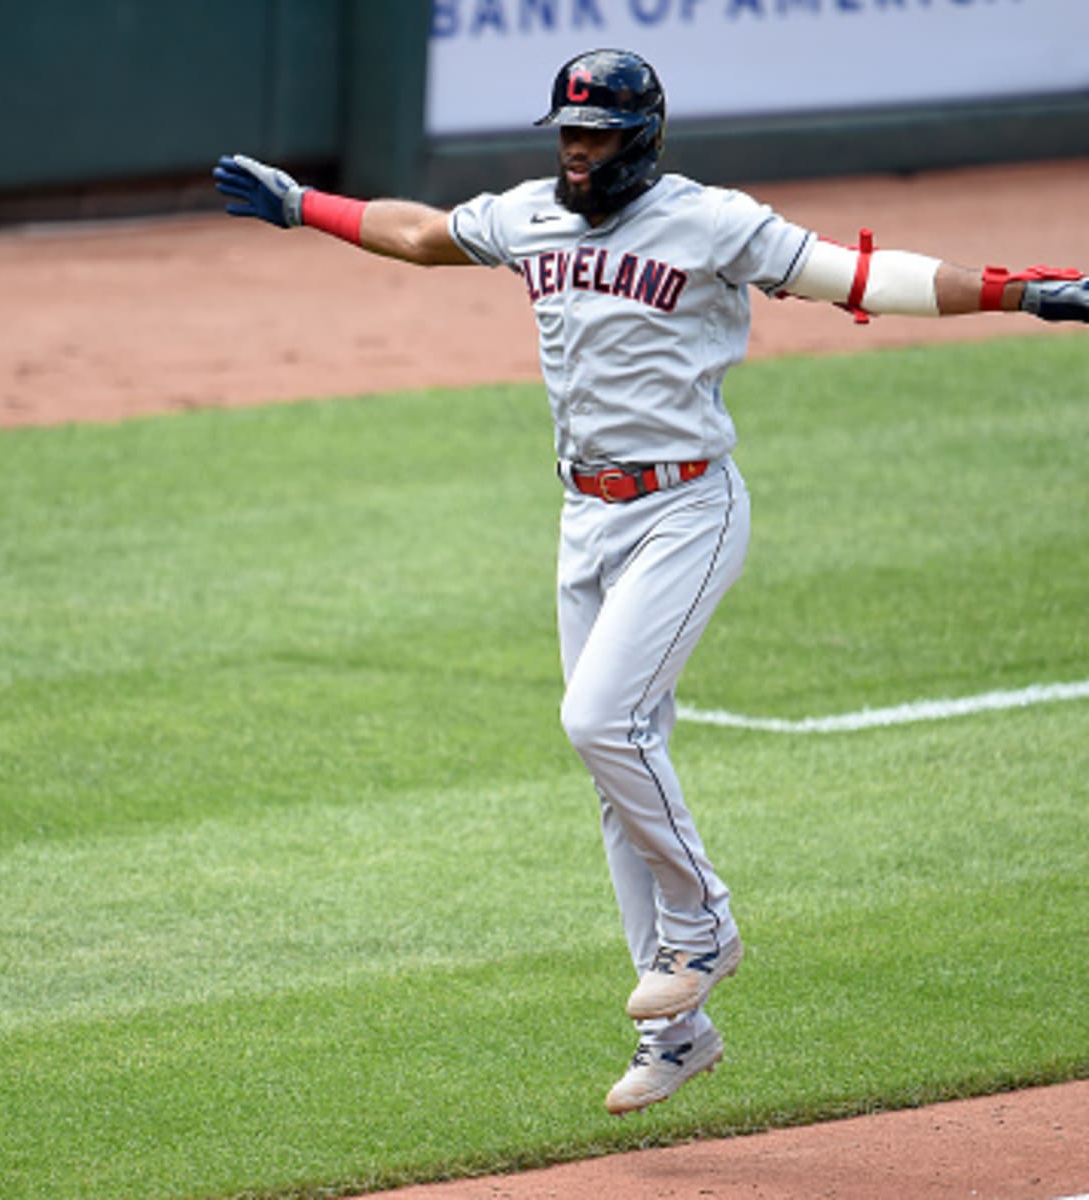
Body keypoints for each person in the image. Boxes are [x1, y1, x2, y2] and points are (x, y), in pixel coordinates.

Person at [214, 49, 1088, 1116]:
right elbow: (423, 235)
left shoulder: (712, 222)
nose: (577, 155)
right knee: (614, 770)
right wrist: (306, 204)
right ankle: (677, 1033)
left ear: (641, 138)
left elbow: (865, 279)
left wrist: (1026, 291)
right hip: (586, 518)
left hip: (687, 510)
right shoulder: (530, 214)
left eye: (595, 138)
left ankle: (705, 927)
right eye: (567, 136)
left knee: (601, 723)